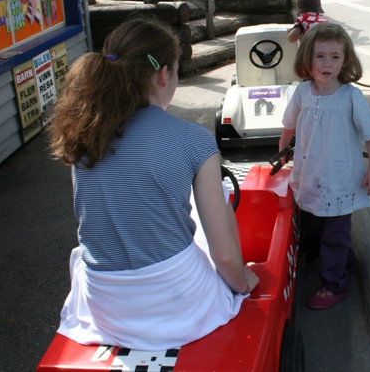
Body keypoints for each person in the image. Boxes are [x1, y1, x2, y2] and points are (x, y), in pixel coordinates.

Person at [48, 18, 258, 350]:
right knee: (214, 203)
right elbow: (225, 257)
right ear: (163, 74)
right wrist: (242, 283)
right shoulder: (192, 139)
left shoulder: (84, 133)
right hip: (178, 302)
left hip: (103, 305)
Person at [278, 23, 370, 310]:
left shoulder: (350, 97)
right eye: (320, 56)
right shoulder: (302, 92)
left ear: (345, 61)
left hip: (340, 179)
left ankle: (335, 284)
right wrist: (283, 149)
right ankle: (345, 262)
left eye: (335, 57)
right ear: (307, 58)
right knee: (316, 226)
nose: (327, 64)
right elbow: (289, 125)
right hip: (310, 175)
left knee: (335, 234)